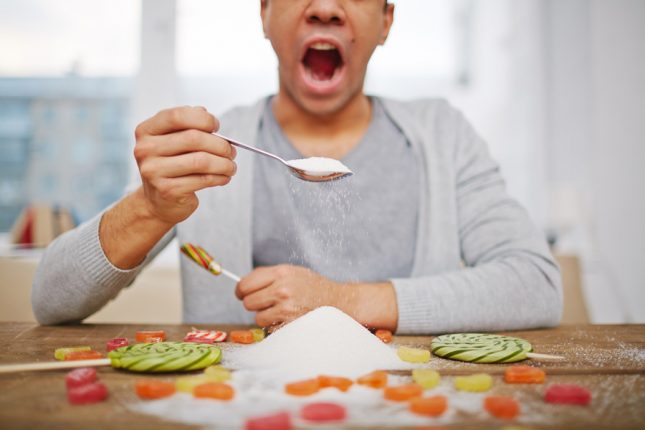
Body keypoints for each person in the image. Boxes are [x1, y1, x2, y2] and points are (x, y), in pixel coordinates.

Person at [32, 0, 562, 333]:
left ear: (387, 20)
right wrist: (149, 207)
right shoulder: (212, 148)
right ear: (264, 13)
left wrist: (342, 302)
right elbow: (50, 301)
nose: (326, 7)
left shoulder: (443, 136)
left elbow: (536, 284)